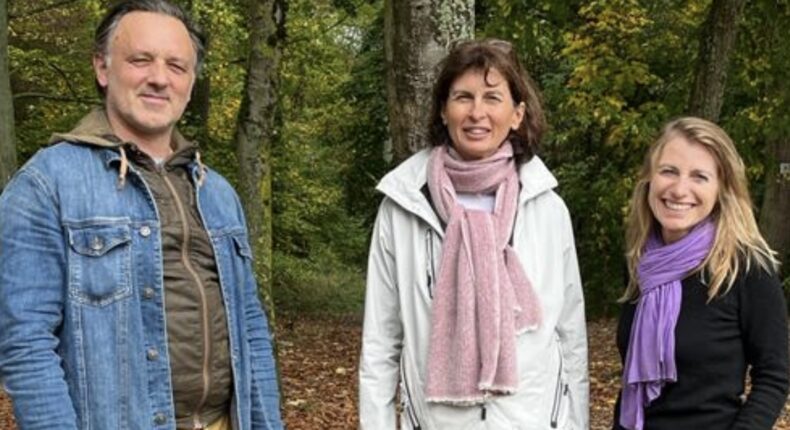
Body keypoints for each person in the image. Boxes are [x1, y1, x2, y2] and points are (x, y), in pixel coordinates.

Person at [0, 1, 282, 429]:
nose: (159, 78)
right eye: (140, 60)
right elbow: (25, 343)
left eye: (176, 66)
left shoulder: (218, 193)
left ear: (190, 83)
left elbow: (250, 329)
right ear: (102, 68)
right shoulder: (46, 184)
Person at [358, 39, 589, 429]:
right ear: (444, 112)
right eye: (463, 97)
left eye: (492, 98)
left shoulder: (547, 207)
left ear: (517, 114)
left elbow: (570, 337)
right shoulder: (403, 205)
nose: (477, 112)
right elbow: (381, 343)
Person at [613, 117, 788, 430]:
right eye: (669, 171)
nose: (680, 189)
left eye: (699, 177)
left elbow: (773, 377)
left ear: (721, 189)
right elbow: (632, 386)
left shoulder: (747, 268)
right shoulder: (641, 265)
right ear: (649, 179)